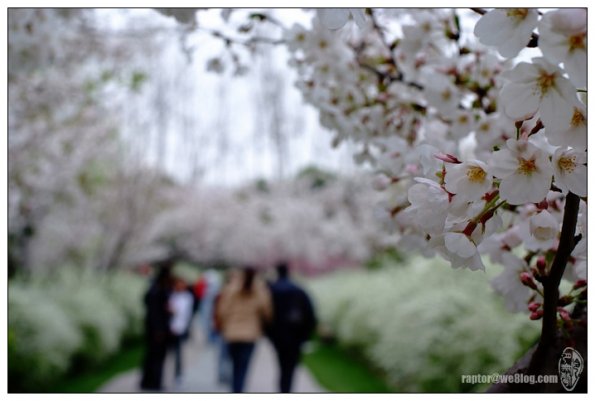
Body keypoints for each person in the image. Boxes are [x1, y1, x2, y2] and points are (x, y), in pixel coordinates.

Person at [215, 267, 272, 393]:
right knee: (243, 367)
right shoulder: (259, 291)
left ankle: (236, 389)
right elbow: (267, 312)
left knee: (235, 365)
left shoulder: (230, 289)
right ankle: (238, 389)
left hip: (232, 333)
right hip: (249, 335)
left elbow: (222, 311)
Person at [267, 262, 317, 393]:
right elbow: (310, 315)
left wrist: (269, 334)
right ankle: (286, 389)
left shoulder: (272, 290)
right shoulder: (298, 290)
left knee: (282, 365)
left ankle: (283, 388)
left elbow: (265, 314)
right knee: (289, 368)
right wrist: (305, 336)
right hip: (295, 336)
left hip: (278, 336)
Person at [140, 258, 174, 391]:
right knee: (156, 356)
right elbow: (155, 311)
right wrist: (159, 329)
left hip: (153, 327)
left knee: (151, 355)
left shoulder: (154, 288)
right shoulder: (158, 289)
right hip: (157, 329)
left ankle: (148, 381)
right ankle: (154, 382)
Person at [168, 276, 195, 386]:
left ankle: (178, 375)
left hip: (180, 328)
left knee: (179, 353)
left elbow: (185, 314)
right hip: (170, 328)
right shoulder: (172, 295)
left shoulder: (187, 297)